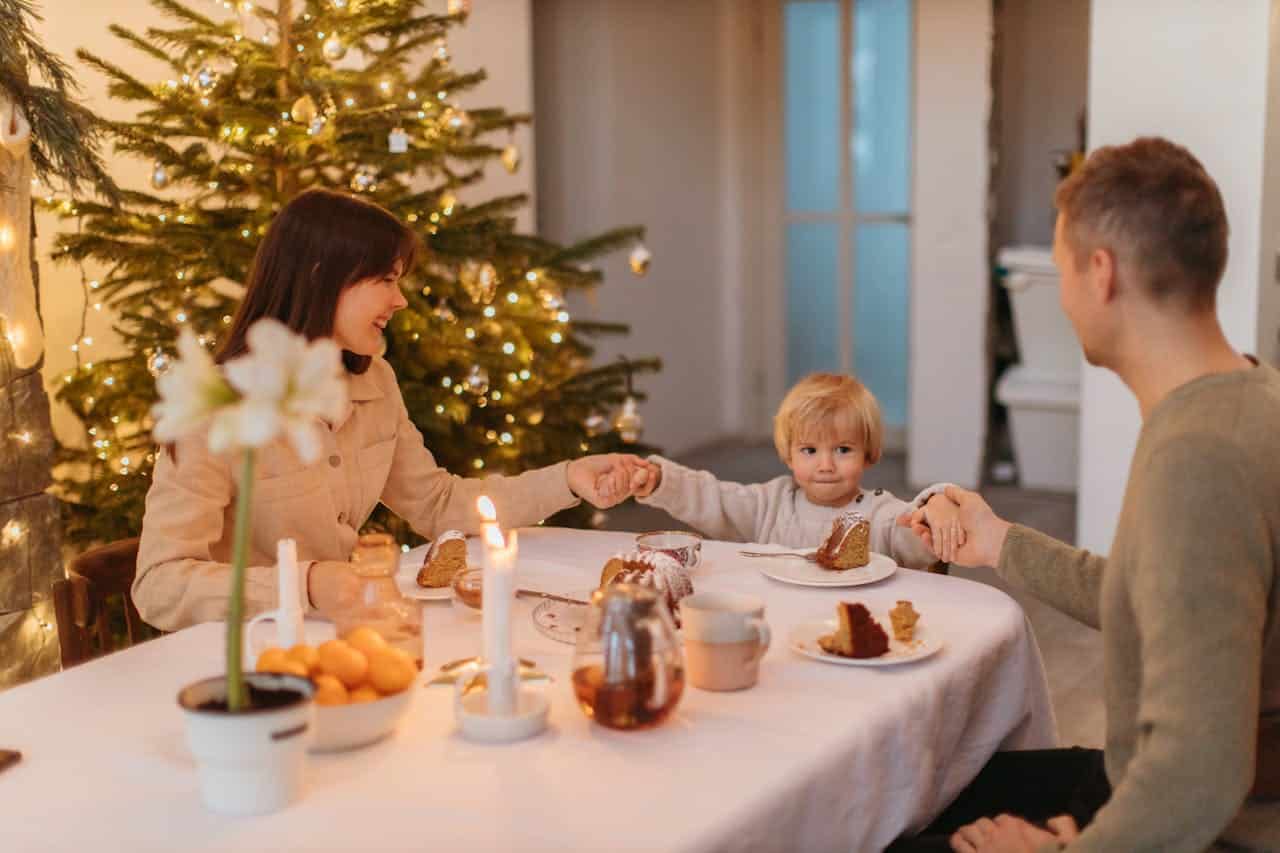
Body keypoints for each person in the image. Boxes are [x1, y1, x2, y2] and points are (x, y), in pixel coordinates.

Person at [895, 137, 1280, 852]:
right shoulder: (1246, 397)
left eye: (1061, 257)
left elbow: (1199, 774)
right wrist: (998, 539)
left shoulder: (1199, 458)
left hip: (1215, 827)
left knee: (882, 832)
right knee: (922, 782)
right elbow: (1158, 593)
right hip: (1150, 786)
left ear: (1100, 273)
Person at [135, 188, 644, 631]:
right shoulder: (221, 409)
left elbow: (440, 503)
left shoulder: (374, 383)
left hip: (340, 643)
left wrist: (569, 479)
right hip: (247, 673)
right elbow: (160, 583)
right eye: (385, 279)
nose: (400, 300)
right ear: (320, 277)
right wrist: (308, 584)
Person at [629, 372, 961, 570]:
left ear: (869, 454)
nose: (826, 465)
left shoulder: (882, 514)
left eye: (843, 450)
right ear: (789, 455)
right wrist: (661, 481)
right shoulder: (768, 503)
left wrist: (936, 509)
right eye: (810, 450)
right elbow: (712, 498)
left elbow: (917, 534)